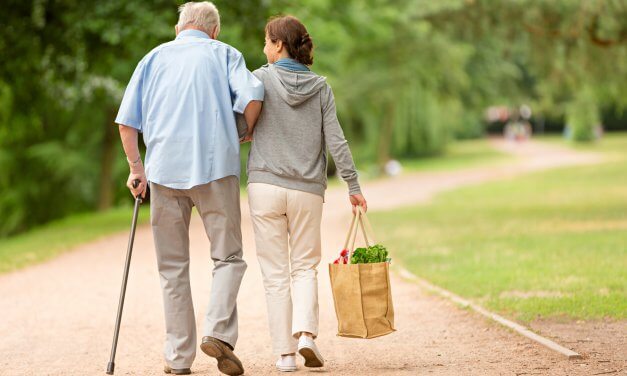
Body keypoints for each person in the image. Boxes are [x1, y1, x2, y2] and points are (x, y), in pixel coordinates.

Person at [115, 2, 263, 375]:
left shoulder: (153, 58)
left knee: (172, 268)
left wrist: (137, 168)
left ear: (179, 27)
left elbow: (126, 123)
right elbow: (253, 97)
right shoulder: (226, 54)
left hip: (164, 172)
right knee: (228, 257)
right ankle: (217, 331)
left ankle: (179, 358)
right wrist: (243, 132)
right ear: (213, 30)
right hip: (215, 169)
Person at [243, 15, 367, 372]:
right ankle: (307, 336)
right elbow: (337, 142)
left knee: (275, 274)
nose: (264, 48)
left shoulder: (259, 79)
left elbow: (241, 126)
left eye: (267, 41)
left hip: (265, 186)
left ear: (279, 45)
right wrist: (353, 186)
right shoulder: (322, 87)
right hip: (307, 192)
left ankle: (284, 355)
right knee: (304, 268)